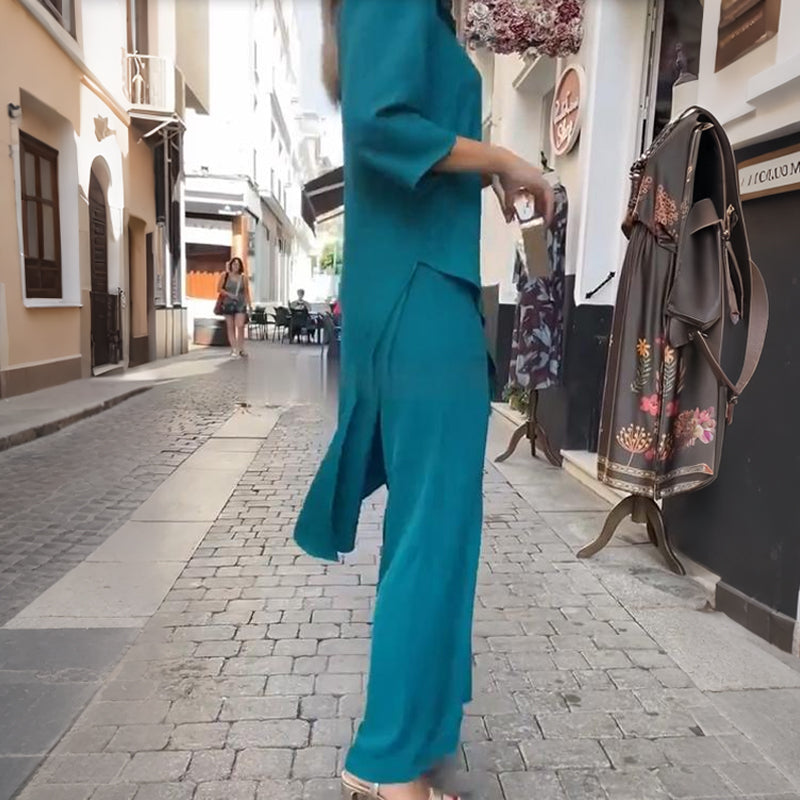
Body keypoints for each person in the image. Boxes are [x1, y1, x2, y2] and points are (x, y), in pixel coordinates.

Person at [294, 2, 554, 799]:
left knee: (433, 530)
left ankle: (410, 738)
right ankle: (388, 762)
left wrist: (485, 169)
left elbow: (397, 124)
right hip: (420, 289)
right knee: (432, 532)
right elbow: (380, 125)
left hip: (424, 283)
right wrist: (504, 157)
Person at [216, 257, 251, 358]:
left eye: (238, 264)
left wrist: (249, 305)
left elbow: (246, 292)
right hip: (228, 303)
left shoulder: (243, 278)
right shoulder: (225, 275)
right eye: (234, 264)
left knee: (240, 326)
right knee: (230, 327)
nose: (236, 266)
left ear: (240, 266)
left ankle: (241, 348)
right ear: (230, 265)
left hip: (240, 304)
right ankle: (234, 348)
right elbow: (219, 289)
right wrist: (229, 294)